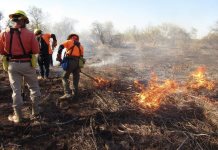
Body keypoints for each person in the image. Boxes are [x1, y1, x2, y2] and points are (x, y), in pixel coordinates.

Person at [0, 10, 41, 123]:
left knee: (16, 91)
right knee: (34, 88)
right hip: (27, 64)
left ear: (13, 20)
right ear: (24, 20)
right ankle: (36, 112)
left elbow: (2, 51)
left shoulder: (4, 33)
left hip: (12, 65)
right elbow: (36, 50)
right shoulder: (30, 34)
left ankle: (18, 117)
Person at [56, 33, 84, 100]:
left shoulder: (69, 41)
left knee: (64, 77)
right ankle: (75, 95)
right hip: (78, 63)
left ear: (71, 37)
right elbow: (81, 58)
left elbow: (60, 47)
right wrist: (79, 67)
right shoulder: (81, 46)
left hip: (70, 61)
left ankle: (67, 93)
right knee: (76, 79)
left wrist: (59, 55)